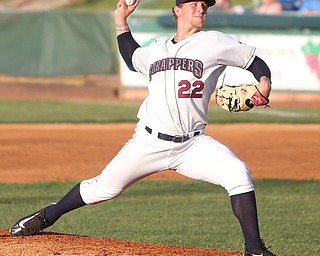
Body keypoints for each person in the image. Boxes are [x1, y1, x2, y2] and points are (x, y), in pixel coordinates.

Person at [9, 0, 278, 255]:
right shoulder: (157, 48)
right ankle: (48, 215)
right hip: (149, 142)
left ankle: (254, 249)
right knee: (102, 189)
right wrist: (120, 21)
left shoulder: (214, 42)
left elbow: (254, 61)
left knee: (238, 173)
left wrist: (263, 82)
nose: (201, 8)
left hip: (193, 144)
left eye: (204, 5)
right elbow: (132, 57)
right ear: (177, 10)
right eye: (194, 3)